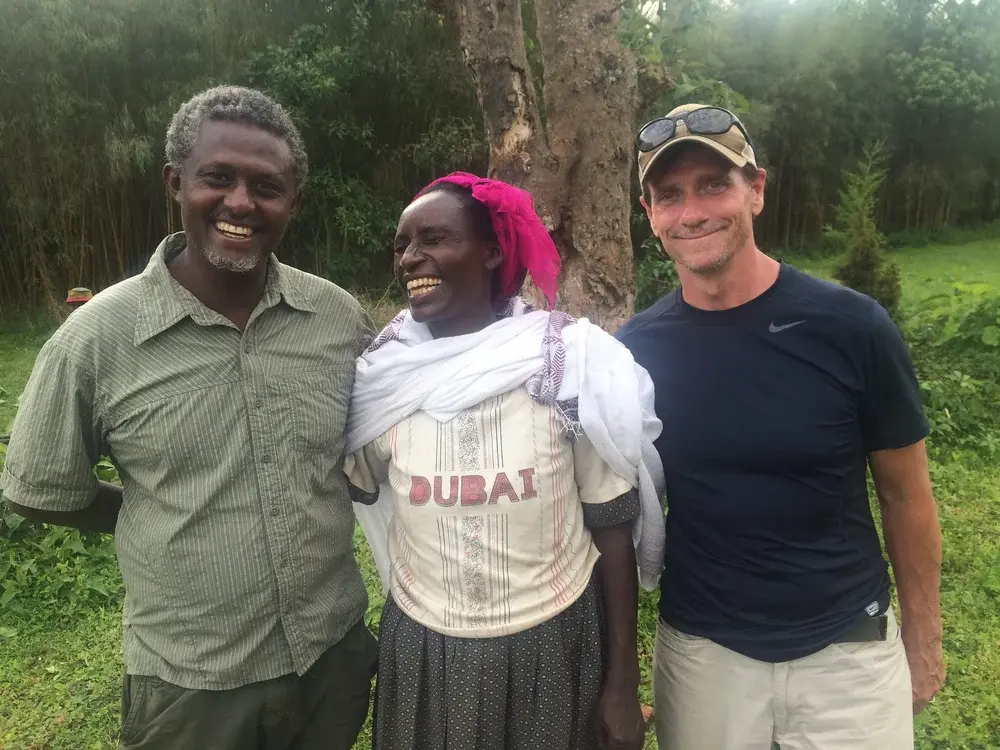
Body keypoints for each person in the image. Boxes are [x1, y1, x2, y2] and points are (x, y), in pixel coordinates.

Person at [0, 86, 377, 750]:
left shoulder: (338, 319)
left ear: (293, 203)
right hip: (190, 688)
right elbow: (37, 491)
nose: (240, 202)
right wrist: (150, 509)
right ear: (176, 183)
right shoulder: (95, 340)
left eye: (267, 186)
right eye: (218, 178)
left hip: (331, 658)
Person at [616, 103, 945, 749]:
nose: (694, 211)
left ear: (757, 190)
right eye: (670, 195)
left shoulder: (853, 328)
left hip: (849, 654)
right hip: (705, 658)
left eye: (715, 185)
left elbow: (907, 494)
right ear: (651, 216)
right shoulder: (633, 354)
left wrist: (924, 641)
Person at [343, 172, 665, 750]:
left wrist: (621, 683)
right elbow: (353, 489)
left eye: (435, 239)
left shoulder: (568, 365)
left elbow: (613, 533)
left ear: (492, 252)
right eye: (403, 245)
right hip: (427, 654)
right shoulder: (381, 380)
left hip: (554, 647)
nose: (412, 258)